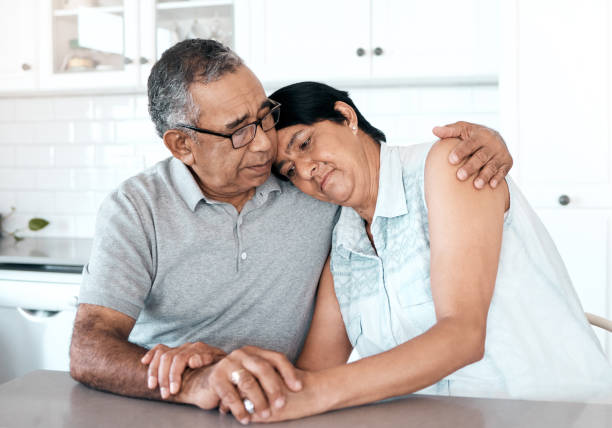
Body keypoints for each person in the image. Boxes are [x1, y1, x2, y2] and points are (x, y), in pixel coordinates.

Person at [69, 39, 514, 424]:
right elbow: (88, 349)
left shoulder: (311, 190)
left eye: (264, 116)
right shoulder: (136, 207)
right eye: (238, 132)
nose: (265, 143)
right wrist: (196, 380)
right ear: (183, 144)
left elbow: (373, 166)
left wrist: (481, 145)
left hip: (271, 406)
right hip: (163, 408)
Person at [146, 81, 612, 423]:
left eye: (305, 143)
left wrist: (314, 393)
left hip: (557, 413)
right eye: (289, 170)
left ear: (346, 116)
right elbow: (311, 370)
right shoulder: (344, 235)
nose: (306, 170)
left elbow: (464, 334)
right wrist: (222, 367)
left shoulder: (448, 165)